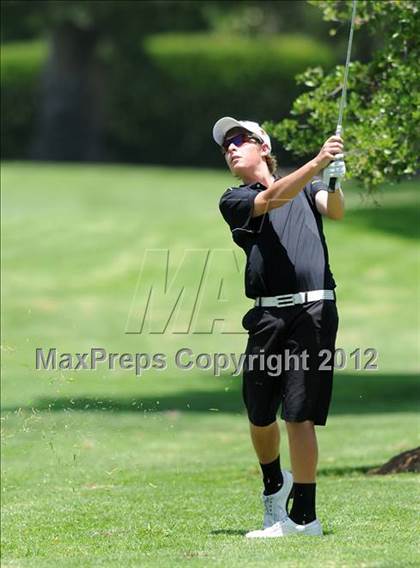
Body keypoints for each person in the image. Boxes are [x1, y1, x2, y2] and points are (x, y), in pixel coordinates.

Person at [213, 116, 345, 538]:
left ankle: (305, 518)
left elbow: (335, 210)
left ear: (264, 147)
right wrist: (318, 161)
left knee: (298, 413)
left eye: (240, 140)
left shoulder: (307, 186)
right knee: (258, 411)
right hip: (267, 316)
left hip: (314, 311)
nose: (231, 148)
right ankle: (274, 481)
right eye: (226, 145)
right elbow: (272, 199)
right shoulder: (234, 199)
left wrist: (334, 180)